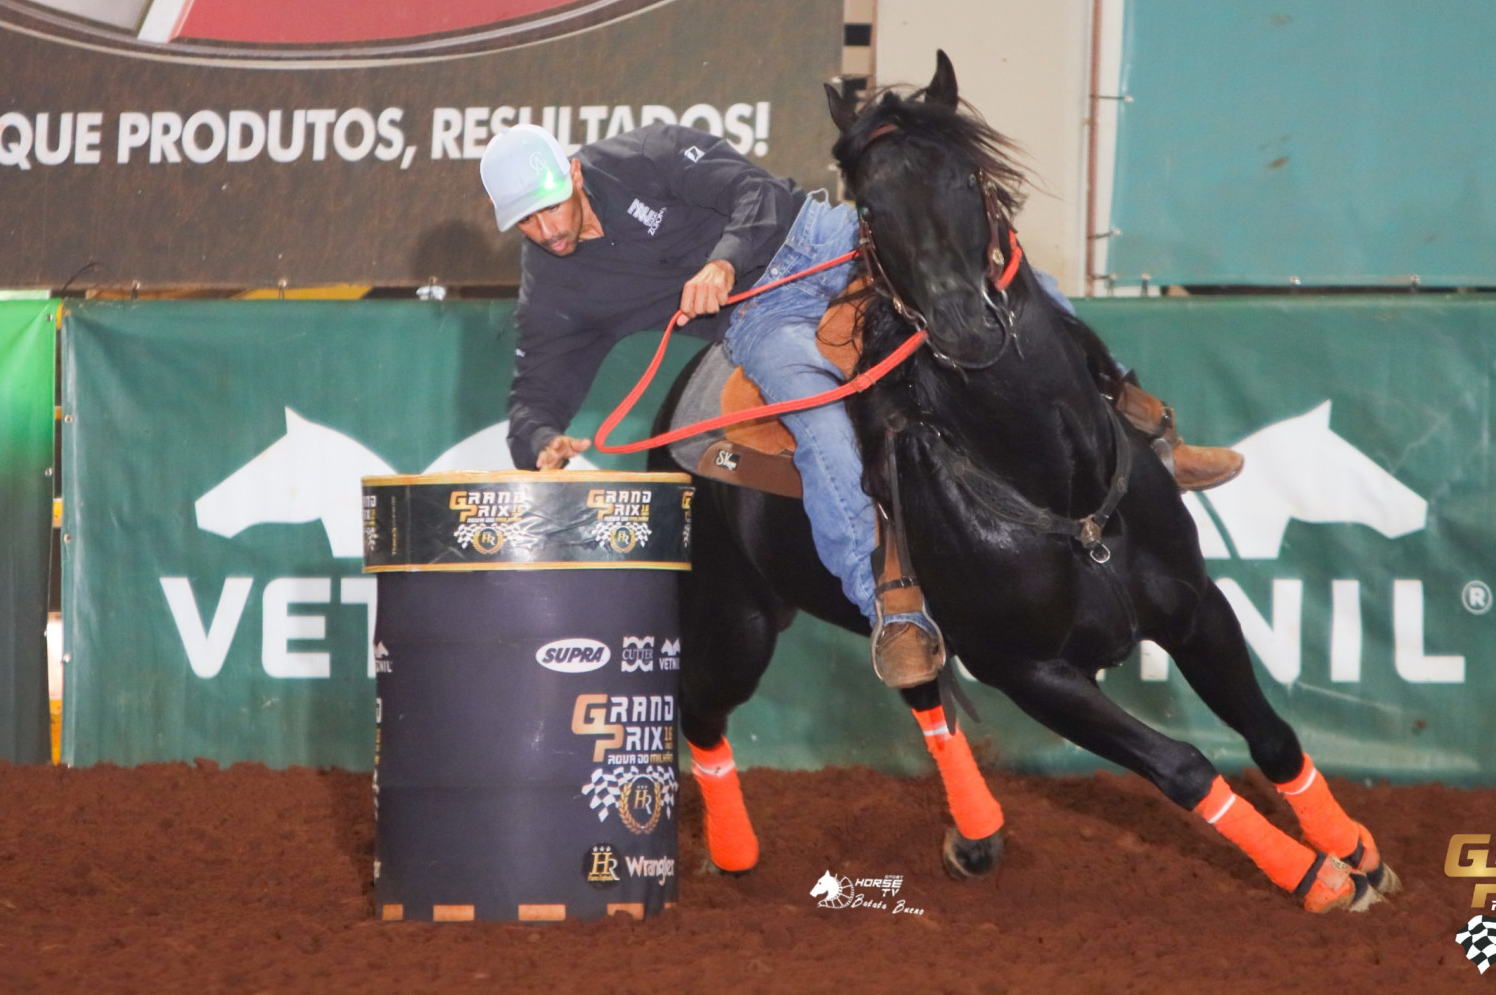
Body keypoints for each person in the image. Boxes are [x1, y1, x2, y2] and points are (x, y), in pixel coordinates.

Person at [481, 121, 1240, 689]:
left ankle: (1147, 428)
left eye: (553, 204)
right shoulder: (554, 288)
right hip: (760, 319)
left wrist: (722, 260)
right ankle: (891, 608)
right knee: (815, 424)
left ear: (575, 171)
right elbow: (535, 387)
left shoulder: (643, 155)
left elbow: (749, 189)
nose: (548, 229)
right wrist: (541, 439)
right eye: (528, 220)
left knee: (995, 276)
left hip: (826, 240)